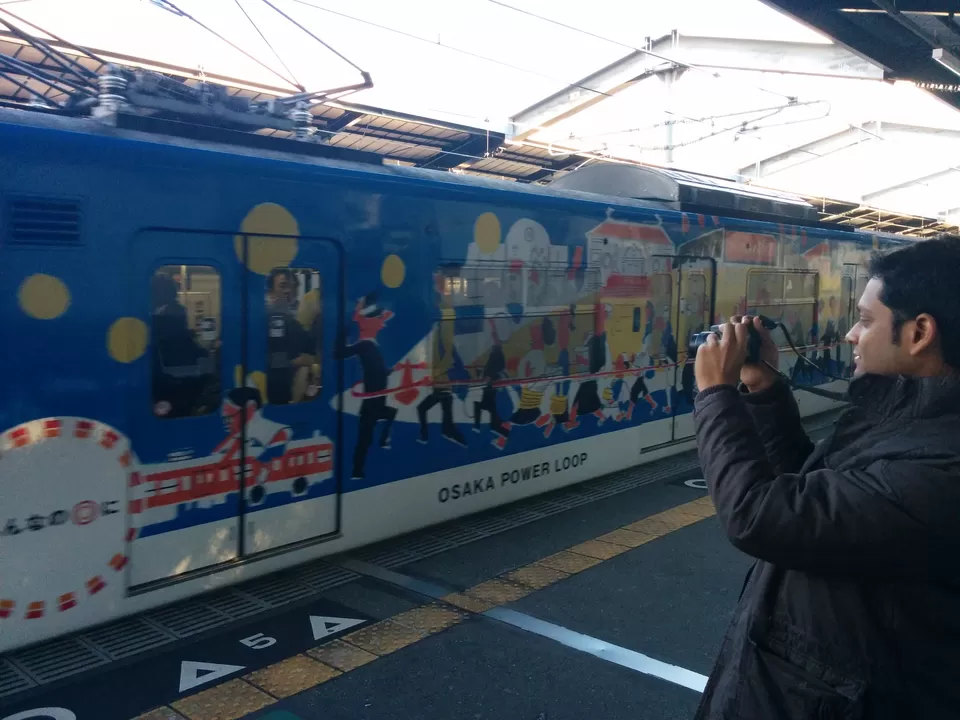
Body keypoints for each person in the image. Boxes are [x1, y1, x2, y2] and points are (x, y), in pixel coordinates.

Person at [691, 237, 960, 719]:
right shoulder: (908, 422)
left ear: (919, 333)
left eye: (866, 319)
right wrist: (765, 390)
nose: (852, 335)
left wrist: (715, 393)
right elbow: (820, 500)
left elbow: (759, 514)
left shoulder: (942, 467)